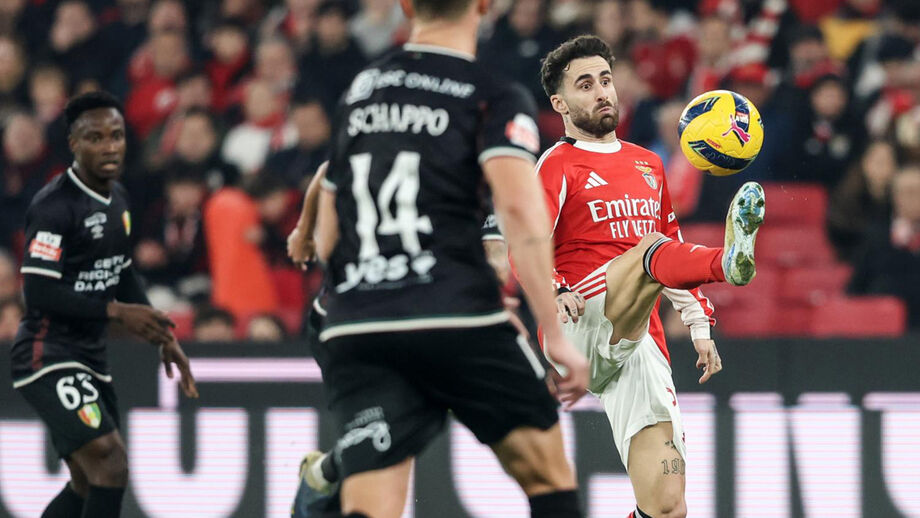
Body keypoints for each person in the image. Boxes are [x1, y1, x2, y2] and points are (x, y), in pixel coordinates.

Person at [307, 0, 592, 512]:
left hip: (359, 323)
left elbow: (327, 240)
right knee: (548, 476)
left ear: (406, 6)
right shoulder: (493, 94)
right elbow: (521, 217)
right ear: (484, 6)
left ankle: (321, 488)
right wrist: (554, 332)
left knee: (372, 503)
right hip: (458, 315)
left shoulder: (360, 89)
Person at [536, 36, 765, 518]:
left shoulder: (648, 163)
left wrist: (699, 324)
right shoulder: (557, 164)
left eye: (605, 79)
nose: (601, 92)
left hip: (637, 339)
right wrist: (553, 288)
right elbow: (529, 241)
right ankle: (726, 262)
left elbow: (671, 240)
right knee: (648, 250)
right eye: (585, 85)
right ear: (560, 103)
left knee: (667, 504)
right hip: (577, 323)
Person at [286, 165, 548, 518]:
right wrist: (304, 230)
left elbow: (497, 262)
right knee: (390, 446)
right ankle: (325, 482)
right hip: (349, 326)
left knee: (393, 432)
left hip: (413, 325)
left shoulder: (474, 164)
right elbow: (331, 167)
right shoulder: (398, 142)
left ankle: (322, 477)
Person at [9, 91, 198, 518]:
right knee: (111, 463)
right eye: (95, 138)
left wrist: (163, 336)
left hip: (90, 355)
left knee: (86, 480)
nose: (110, 146)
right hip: (46, 354)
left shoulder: (120, 200)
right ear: (74, 145)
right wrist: (115, 312)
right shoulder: (54, 206)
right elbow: (38, 291)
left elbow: (123, 271)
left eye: (117, 135)